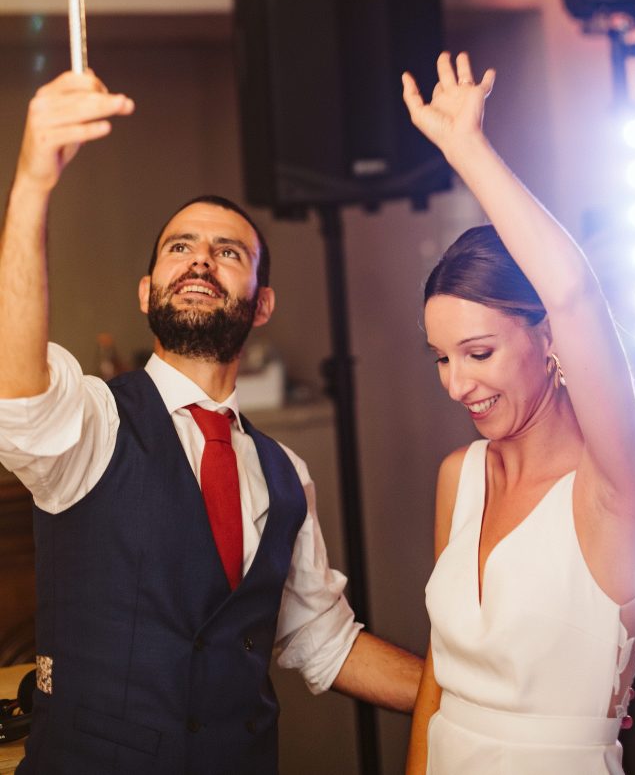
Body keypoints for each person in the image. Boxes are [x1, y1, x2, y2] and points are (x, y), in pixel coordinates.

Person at [0, 70, 421, 775]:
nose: (200, 257)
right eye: (179, 246)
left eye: (228, 252)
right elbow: (17, 396)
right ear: (147, 293)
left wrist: (485, 701)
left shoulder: (288, 476)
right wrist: (33, 182)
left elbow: (326, 643)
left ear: (261, 305)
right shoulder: (96, 421)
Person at [402, 51, 635, 775]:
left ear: (546, 338)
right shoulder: (460, 475)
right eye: (442, 358)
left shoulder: (615, 484)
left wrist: (466, 151)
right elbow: (436, 687)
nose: (456, 384)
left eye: (478, 352)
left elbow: (571, 291)